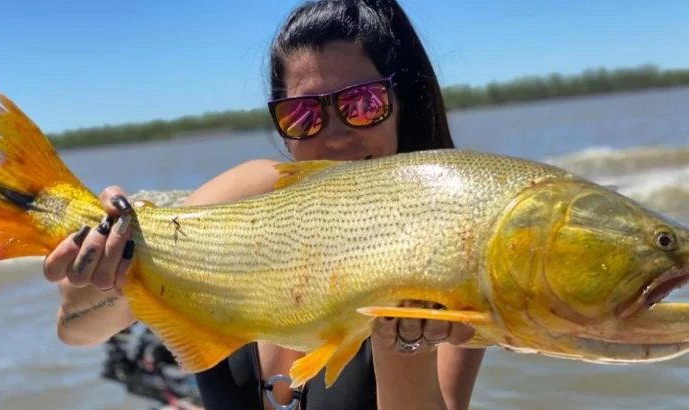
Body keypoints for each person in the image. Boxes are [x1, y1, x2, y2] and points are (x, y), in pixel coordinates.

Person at [44, 0, 486, 409]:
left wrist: (403, 344)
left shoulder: (459, 251)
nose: (334, 135)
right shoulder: (251, 190)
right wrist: (105, 266)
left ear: (402, 103)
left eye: (363, 103)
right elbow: (77, 329)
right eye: (303, 115)